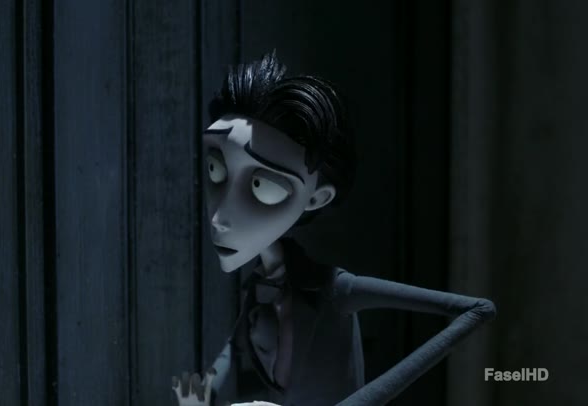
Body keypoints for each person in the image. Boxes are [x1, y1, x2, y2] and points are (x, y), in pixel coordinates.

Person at [172, 51, 496, 406]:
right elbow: (236, 346)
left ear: (315, 198)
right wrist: (206, 388)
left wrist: (366, 398)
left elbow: (476, 310)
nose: (219, 218)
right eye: (216, 169)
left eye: (263, 187)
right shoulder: (260, 283)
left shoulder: (337, 289)